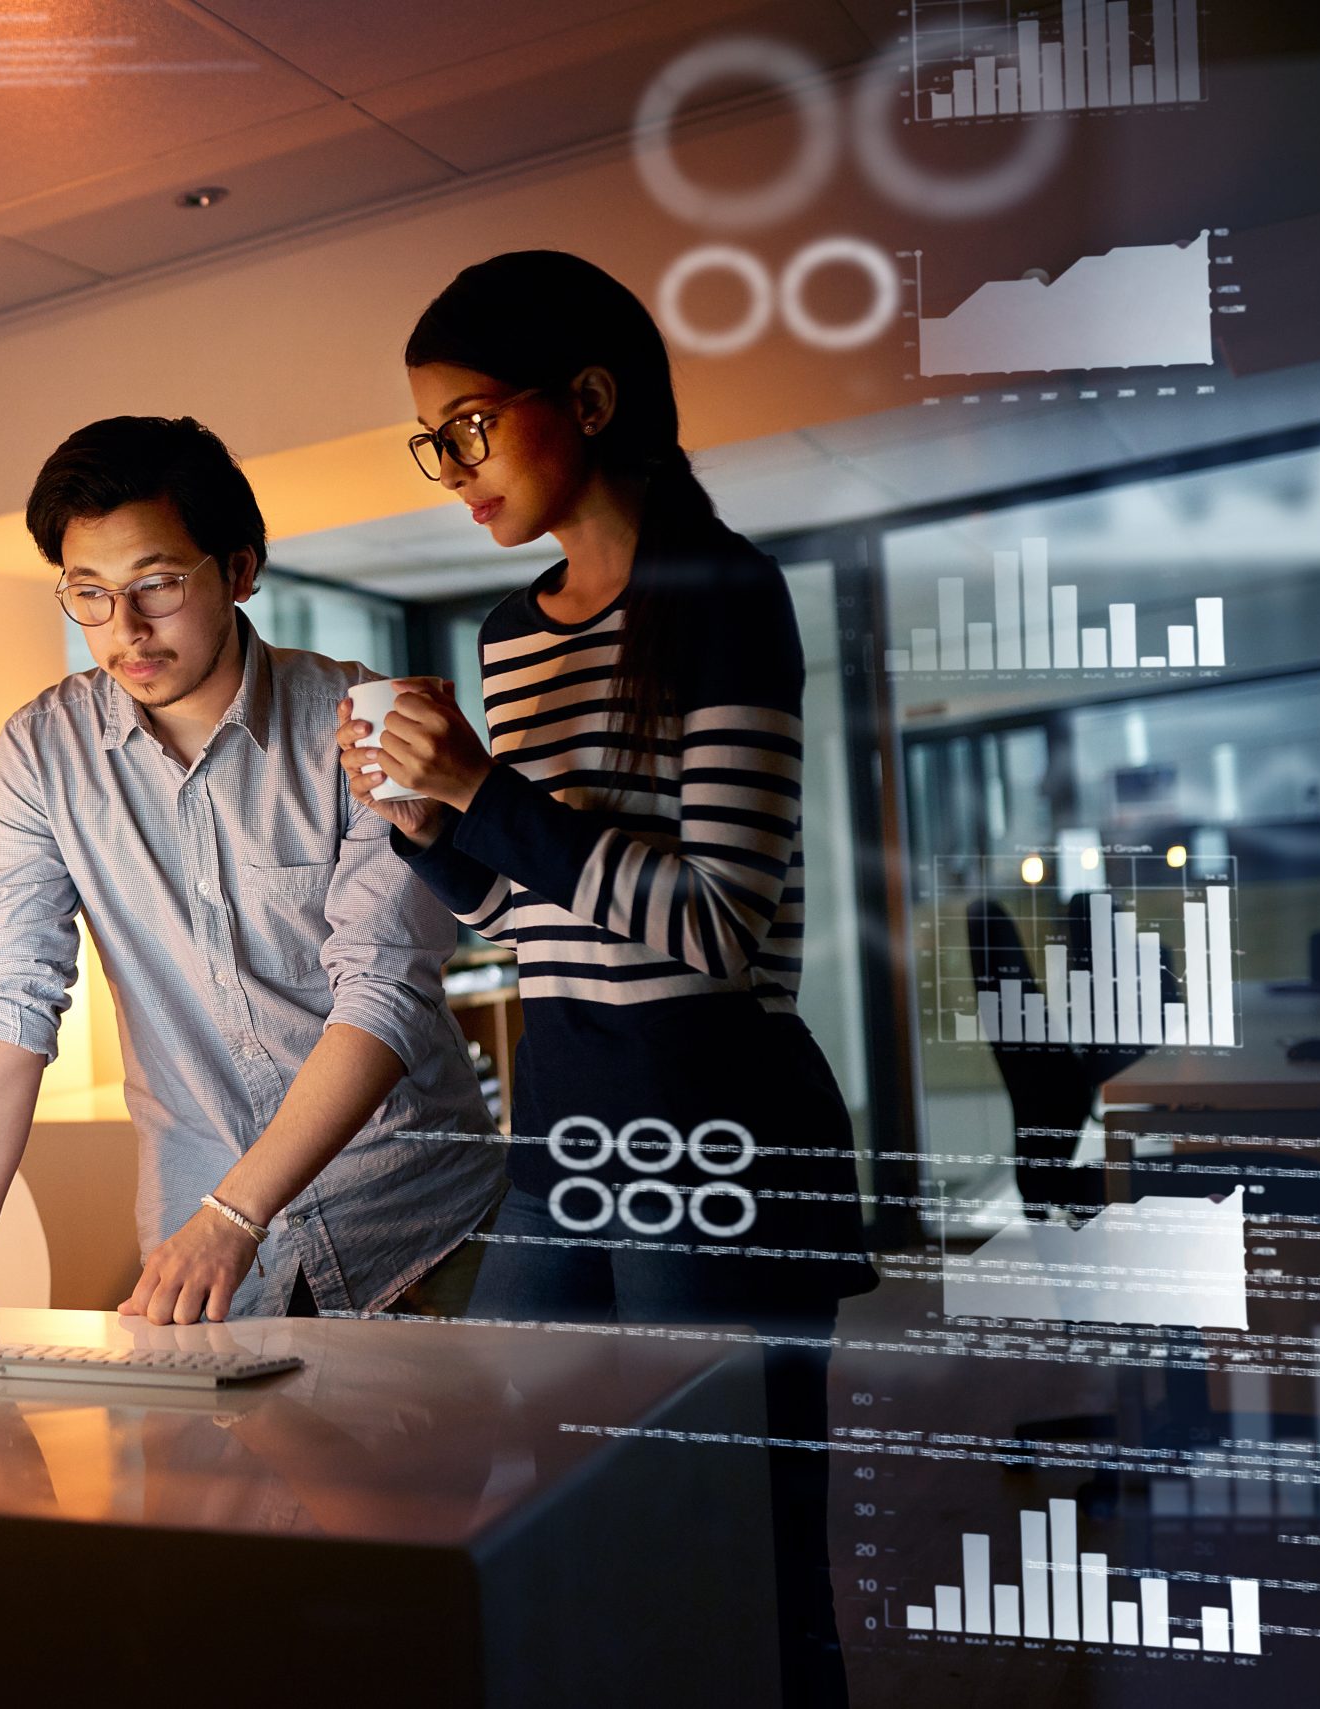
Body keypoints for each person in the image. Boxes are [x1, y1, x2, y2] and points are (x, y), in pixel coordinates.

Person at [336, 251, 875, 1705]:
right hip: (567, 1105)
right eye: (429, 439)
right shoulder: (514, 634)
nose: (451, 467)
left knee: (743, 1544)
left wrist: (492, 796)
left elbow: (713, 923)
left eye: (470, 426)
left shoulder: (721, 589)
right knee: (556, 1503)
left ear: (586, 397)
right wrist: (429, 826)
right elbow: (537, 914)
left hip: (713, 1111)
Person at [0, 414, 501, 1327]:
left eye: (157, 585)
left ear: (241, 570)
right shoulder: (41, 752)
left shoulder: (364, 720)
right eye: (88, 593)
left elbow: (384, 994)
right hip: (206, 1268)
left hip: (415, 1226)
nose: (124, 629)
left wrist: (235, 1209)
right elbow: (10, 1002)